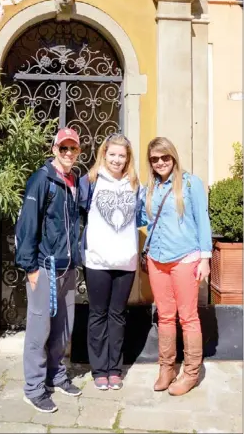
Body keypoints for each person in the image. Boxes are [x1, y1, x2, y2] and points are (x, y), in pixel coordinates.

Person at [138, 137, 212, 396]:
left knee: (188, 317)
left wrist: (205, 257)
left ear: (173, 157)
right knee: (165, 316)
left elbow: (203, 220)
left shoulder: (190, 183)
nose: (160, 163)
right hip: (157, 259)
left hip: (185, 258)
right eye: (154, 159)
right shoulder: (149, 188)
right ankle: (166, 368)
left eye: (164, 157)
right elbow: (141, 217)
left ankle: (191, 372)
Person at [15, 127, 82, 413]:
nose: (68, 153)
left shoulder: (73, 180)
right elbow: (27, 224)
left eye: (73, 149)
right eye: (63, 148)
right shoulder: (41, 180)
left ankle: (56, 375)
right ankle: (33, 388)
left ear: (78, 152)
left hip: (67, 269)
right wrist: (30, 267)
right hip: (44, 268)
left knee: (62, 330)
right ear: (54, 149)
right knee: (39, 330)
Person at [80, 133, 140, 391]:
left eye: (122, 155)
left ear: (128, 159)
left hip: (126, 262)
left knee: (118, 316)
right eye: (112, 154)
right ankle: (99, 369)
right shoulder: (90, 182)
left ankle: (115, 369)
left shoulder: (135, 184)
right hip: (97, 261)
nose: (117, 159)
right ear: (104, 154)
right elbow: (80, 215)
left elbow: (142, 217)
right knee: (97, 315)